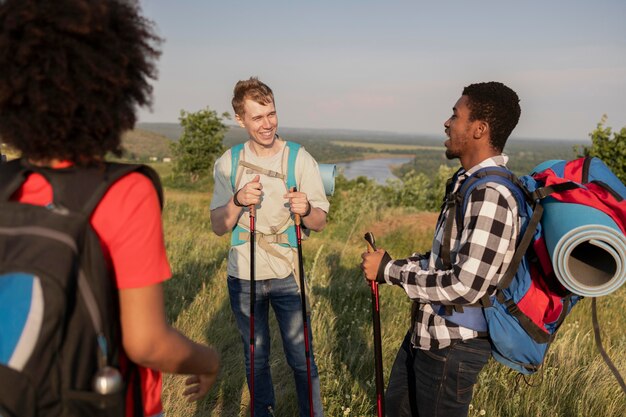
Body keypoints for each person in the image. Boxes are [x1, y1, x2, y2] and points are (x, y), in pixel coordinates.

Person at [0, 1, 220, 416]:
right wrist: (208, 360)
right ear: (114, 84)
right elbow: (146, 342)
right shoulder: (125, 191)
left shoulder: (6, 183)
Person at [361, 81, 522, 417]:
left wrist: (389, 272)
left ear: (479, 129)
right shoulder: (467, 182)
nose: (447, 123)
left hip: (454, 346)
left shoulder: (490, 193)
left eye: (455, 115)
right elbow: (443, 261)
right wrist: (391, 264)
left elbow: (466, 285)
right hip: (429, 334)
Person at [210, 77, 329, 416]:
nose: (267, 124)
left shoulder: (298, 158)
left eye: (271, 114)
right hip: (243, 274)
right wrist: (237, 199)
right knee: (255, 358)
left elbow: (319, 221)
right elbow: (219, 226)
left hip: (287, 273)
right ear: (240, 120)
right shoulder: (229, 162)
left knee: (301, 357)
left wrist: (306, 209)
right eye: (258, 117)